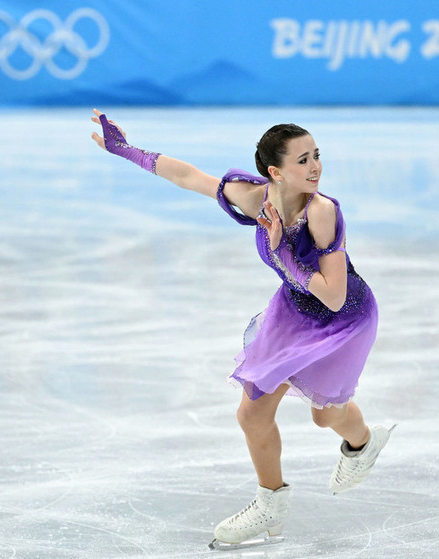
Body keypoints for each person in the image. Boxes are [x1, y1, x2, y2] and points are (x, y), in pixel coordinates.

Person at [90, 109, 394, 547]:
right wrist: (124, 149)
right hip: (293, 313)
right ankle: (271, 504)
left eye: (316, 155)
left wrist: (282, 252)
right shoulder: (256, 199)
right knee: (251, 413)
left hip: (344, 320)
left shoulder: (322, 212)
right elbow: (188, 176)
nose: (315, 167)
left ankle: (363, 444)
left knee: (325, 416)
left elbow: (333, 295)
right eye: (303, 160)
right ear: (275, 173)